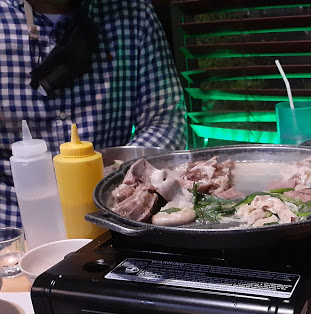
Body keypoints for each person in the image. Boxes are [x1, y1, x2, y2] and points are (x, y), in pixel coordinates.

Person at [0, 0, 187, 228]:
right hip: (14, 224)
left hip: (114, 215)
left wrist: (124, 179)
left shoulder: (133, 14)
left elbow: (165, 120)